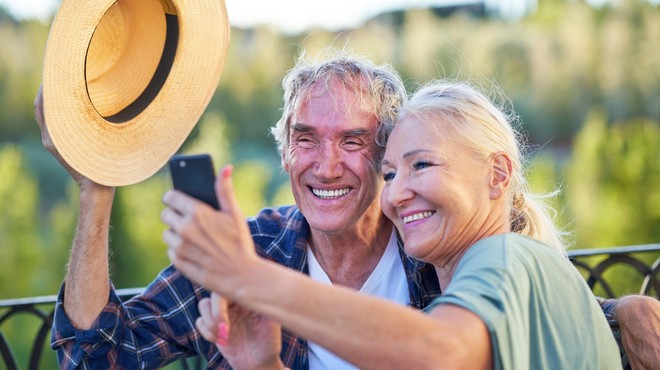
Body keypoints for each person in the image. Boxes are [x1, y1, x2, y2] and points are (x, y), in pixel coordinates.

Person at [36, 52, 657, 369]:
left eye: (354, 142)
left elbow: (498, 317)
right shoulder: (247, 249)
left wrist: (621, 310)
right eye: (306, 138)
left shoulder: (431, 246)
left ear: (387, 156)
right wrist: (97, 191)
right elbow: (96, 355)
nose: (326, 166)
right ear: (284, 151)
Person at [166, 80, 624, 369]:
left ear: (497, 174)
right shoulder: (473, 289)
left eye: (421, 164)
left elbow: (437, 354)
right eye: (389, 173)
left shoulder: (503, 257)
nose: (397, 193)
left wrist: (248, 277)